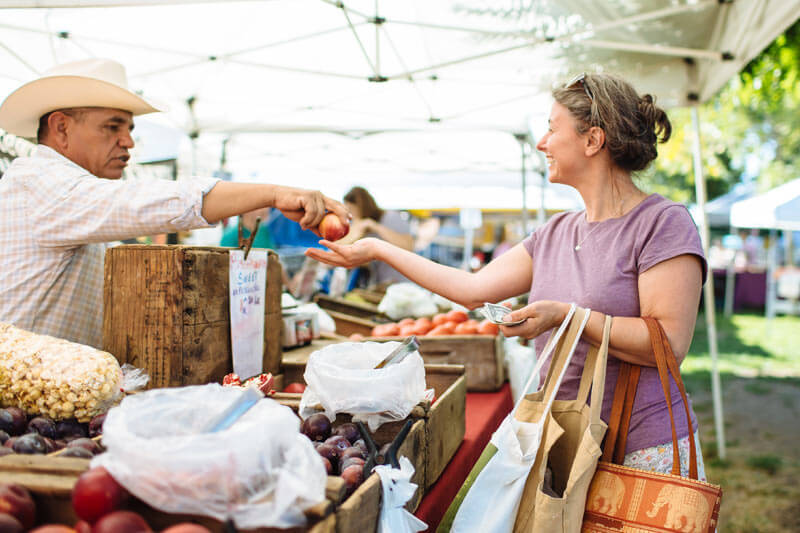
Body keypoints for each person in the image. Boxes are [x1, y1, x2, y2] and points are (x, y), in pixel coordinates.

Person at [307, 73, 709, 480]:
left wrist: (567, 317)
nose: (542, 143)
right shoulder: (556, 232)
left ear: (593, 140)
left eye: (552, 129)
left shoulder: (661, 223)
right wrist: (377, 250)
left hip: (641, 450)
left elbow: (668, 343)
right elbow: (471, 289)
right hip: (570, 447)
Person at [0, 58, 348, 349]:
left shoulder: (73, 194)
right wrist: (272, 194)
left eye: (129, 129)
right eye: (112, 127)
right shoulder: (39, 183)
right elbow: (144, 202)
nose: (128, 141)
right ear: (61, 128)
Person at [337, 186, 413, 285]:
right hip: (379, 284)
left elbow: (408, 247)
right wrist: (356, 234)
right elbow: (338, 248)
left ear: (363, 207)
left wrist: (374, 226)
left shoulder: (391, 217)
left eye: (352, 209)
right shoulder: (357, 225)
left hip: (401, 283)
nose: (350, 214)